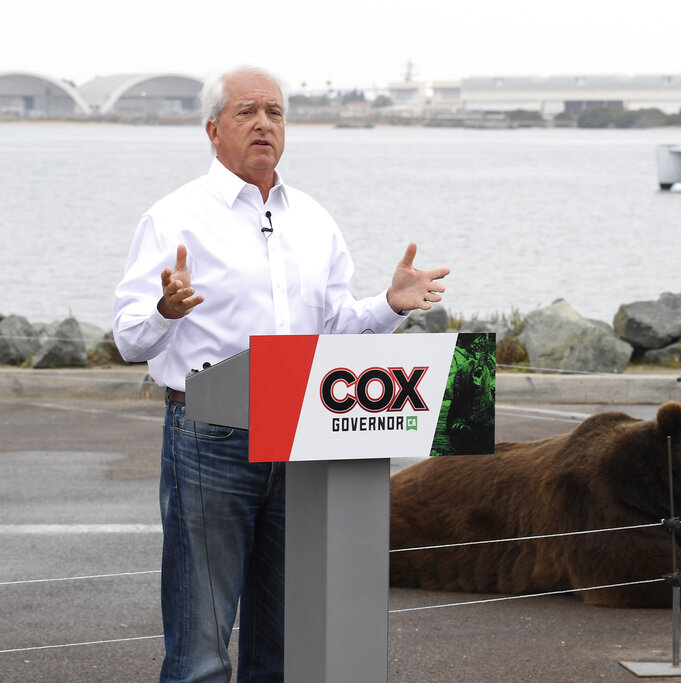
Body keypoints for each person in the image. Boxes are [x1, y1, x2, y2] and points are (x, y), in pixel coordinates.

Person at [112, 65, 449, 682]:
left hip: (304, 434)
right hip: (210, 436)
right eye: (247, 112)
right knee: (201, 649)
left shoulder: (314, 220)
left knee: (287, 648)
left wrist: (388, 306)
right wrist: (165, 310)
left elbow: (336, 333)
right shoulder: (174, 218)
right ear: (214, 130)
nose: (264, 123)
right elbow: (129, 339)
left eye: (275, 112)